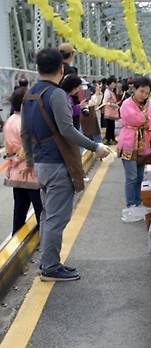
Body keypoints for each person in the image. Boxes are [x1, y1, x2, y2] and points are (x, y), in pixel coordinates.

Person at [21, 48, 111, 282]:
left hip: (41, 163)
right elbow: (67, 129)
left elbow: (24, 132)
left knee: (48, 215)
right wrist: (95, 147)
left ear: (38, 69)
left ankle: (47, 262)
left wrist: (30, 160)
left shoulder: (29, 95)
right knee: (57, 218)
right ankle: (51, 267)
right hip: (58, 163)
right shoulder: (56, 94)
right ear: (61, 69)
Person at [3, 87, 43, 234]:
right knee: (40, 209)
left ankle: (16, 237)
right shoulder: (26, 122)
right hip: (30, 171)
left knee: (19, 208)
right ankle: (44, 239)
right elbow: (30, 147)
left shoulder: (10, 120)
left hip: (14, 171)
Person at [117, 76, 151, 213]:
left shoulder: (143, 105)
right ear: (134, 89)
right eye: (142, 91)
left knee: (139, 177)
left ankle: (138, 201)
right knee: (131, 176)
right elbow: (136, 119)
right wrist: (145, 117)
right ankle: (130, 203)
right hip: (128, 143)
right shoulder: (127, 104)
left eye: (146, 93)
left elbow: (148, 123)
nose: (144, 95)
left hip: (142, 144)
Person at [102, 76, 119, 144]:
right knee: (110, 126)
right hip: (109, 112)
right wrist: (112, 105)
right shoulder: (107, 91)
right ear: (109, 83)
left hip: (112, 112)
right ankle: (109, 139)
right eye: (113, 83)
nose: (114, 85)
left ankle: (112, 138)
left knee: (112, 126)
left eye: (115, 83)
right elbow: (104, 102)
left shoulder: (111, 91)